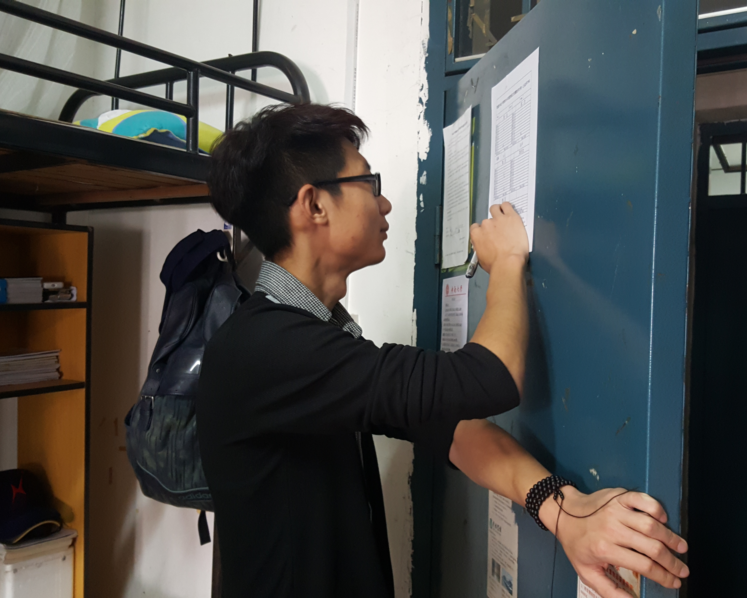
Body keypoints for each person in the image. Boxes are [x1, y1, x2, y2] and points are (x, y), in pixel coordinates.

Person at [198, 103, 689, 598]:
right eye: (368, 183)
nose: (384, 204)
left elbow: (449, 428)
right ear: (314, 205)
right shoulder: (264, 349)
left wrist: (567, 513)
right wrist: (508, 261)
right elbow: (489, 377)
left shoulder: (301, 339)